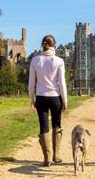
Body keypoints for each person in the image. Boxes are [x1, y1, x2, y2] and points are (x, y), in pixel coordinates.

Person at [29, 35, 68, 167]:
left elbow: (31, 83)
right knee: (56, 124)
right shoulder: (59, 61)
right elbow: (62, 83)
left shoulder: (35, 60)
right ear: (54, 46)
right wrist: (65, 100)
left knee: (43, 126)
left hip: (40, 97)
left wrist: (32, 98)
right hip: (55, 97)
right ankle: (56, 155)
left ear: (42, 45)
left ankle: (47, 158)